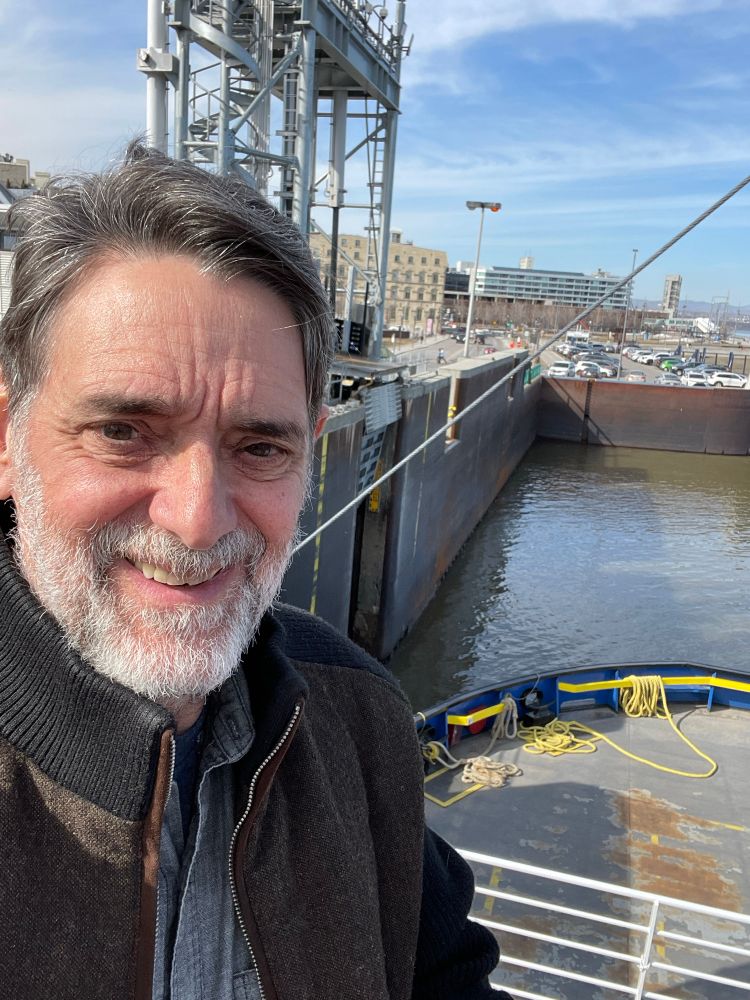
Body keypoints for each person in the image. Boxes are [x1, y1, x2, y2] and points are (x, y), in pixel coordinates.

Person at [0, 143, 503, 999]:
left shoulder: (356, 719)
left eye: (260, 446)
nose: (197, 518)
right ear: (8, 439)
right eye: (124, 432)